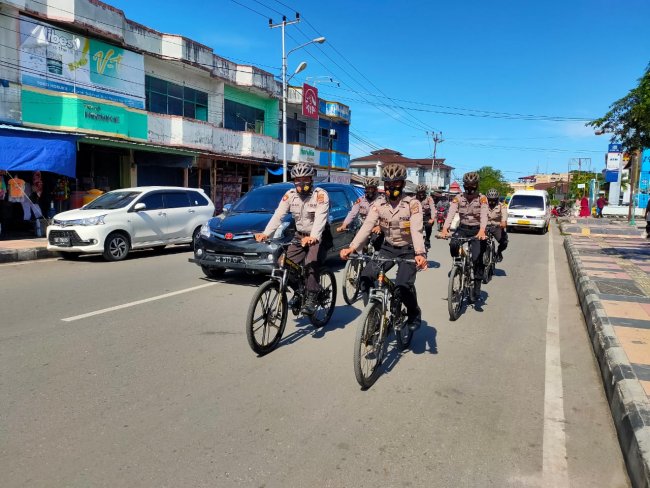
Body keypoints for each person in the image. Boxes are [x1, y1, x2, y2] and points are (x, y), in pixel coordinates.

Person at [340, 163, 428, 331]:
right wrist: (352, 248)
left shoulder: (412, 204)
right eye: (387, 184)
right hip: (388, 248)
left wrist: (420, 253)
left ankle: (414, 312)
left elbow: (416, 230)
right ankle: (372, 316)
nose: (391, 187)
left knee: (403, 286)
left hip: (409, 249)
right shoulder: (378, 205)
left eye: (395, 184)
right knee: (365, 277)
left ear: (402, 184)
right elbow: (367, 226)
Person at [255, 162, 332, 314]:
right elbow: (278, 215)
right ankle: (299, 290)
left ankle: (311, 296)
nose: (301, 183)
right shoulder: (290, 195)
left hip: (319, 235)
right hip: (299, 235)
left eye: (305, 179)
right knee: (283, 264)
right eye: (297, 180)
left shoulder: (320, 195)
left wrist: (314, 237)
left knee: (311, 264)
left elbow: (320, 219)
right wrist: (266, 233)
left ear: (311, 179)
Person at [439, 171, 488, 302]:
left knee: (477, 258)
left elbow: (484, 215)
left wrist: (482, 230)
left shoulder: (482, 198)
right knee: (453, 244)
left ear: (477, 185)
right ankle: (458, 267)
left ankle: (477, 285)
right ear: (464, 185)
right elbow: (450, 213)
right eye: (468, 185)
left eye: (473, 185)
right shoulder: (458, 198)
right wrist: (445, 229)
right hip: (463, 228)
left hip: (478, 230)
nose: (470, 188)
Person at [337, 176, 385, 249]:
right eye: (367, 188)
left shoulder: (382, 201)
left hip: (377, 229)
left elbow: (386, 217)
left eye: (371, 188)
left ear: (375, 189)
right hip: (363, 228)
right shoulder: (361, 200)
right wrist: (344, 224)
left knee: (377, 247)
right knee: (354, 246)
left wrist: (380, 226)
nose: (369, 190)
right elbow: (352, 212)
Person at [485, 188, 508, 262]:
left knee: (504, 242)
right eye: (490, 199)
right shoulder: (483, 205)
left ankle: (498, 252)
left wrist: (503, 221)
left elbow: (504, 213)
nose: (492, 201)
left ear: (497, 199)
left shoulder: (501, 205)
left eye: (494, 200)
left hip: (496, 227)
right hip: (485, 227)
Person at [415, 184, 435, 249]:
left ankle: (427, 239)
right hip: (416, 216)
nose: (421, 194)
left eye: (422, 192)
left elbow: (432, 209)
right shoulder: (413, 199)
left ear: (425, 192)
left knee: (428, 226)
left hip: (427, 216)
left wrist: (432, 218)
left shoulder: (429, 199)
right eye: (419, 192)